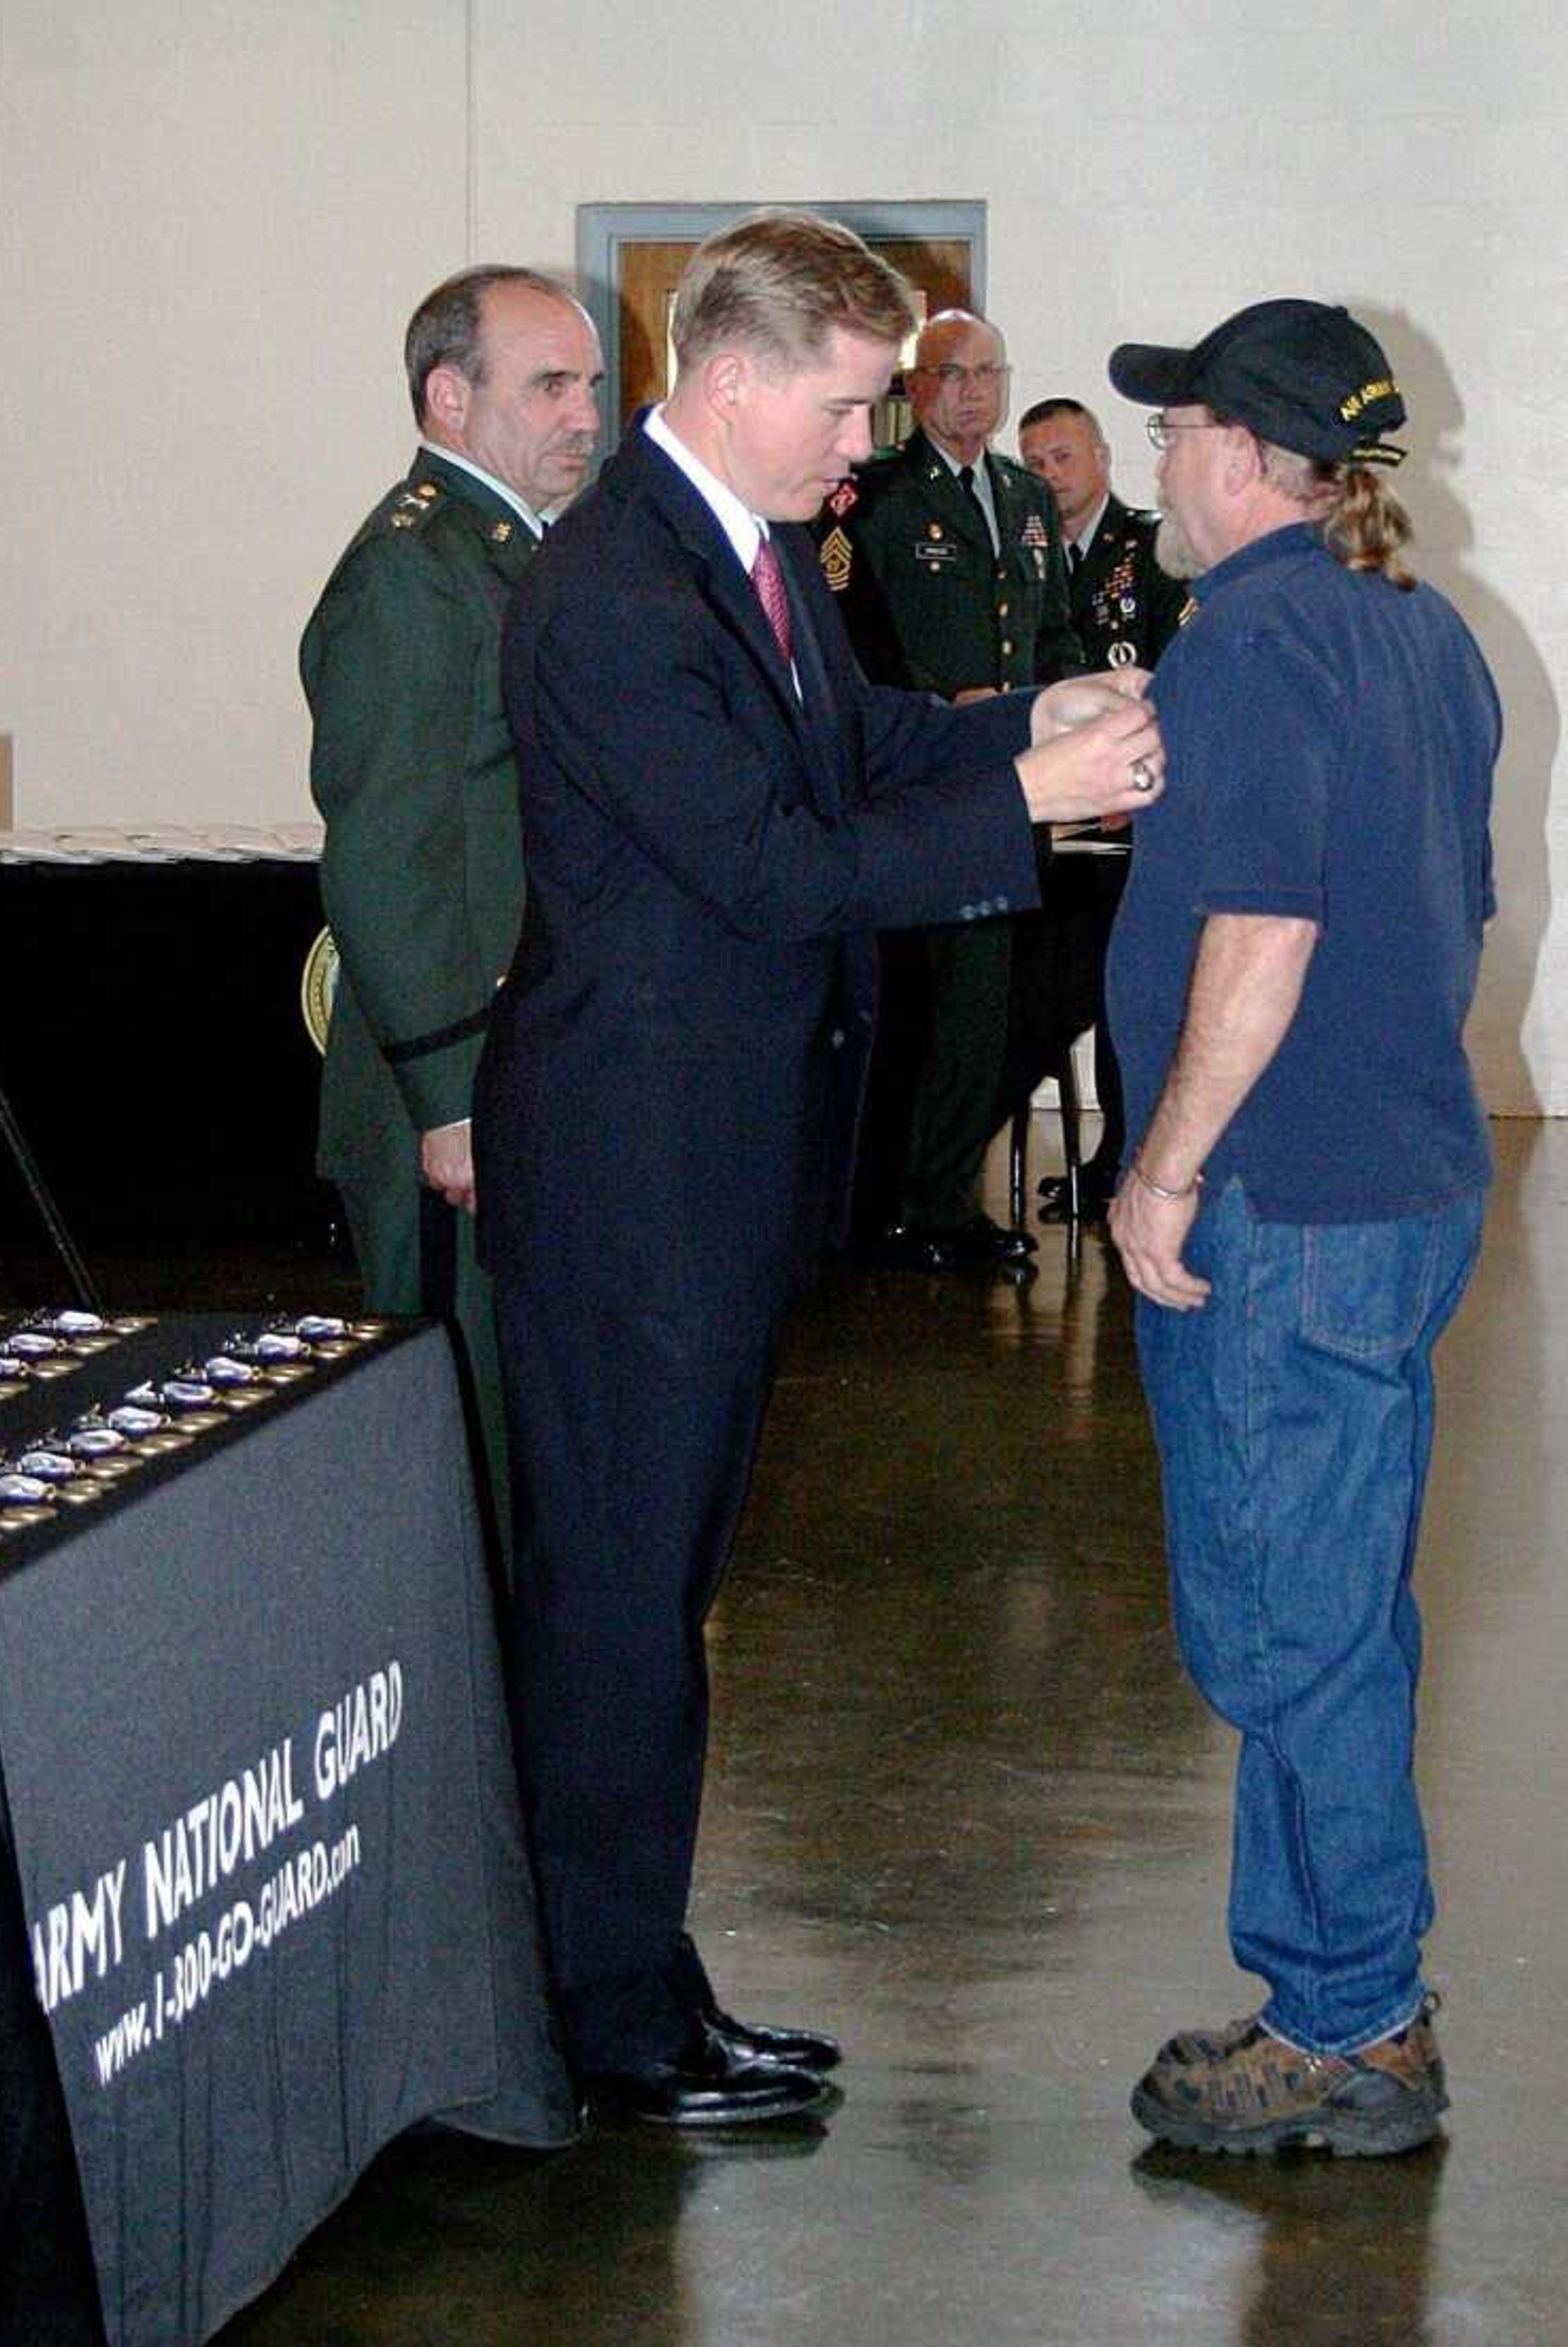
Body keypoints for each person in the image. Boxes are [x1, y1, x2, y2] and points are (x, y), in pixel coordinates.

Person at [475, 210, 1164, 2129]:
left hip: (695, 1169)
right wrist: (1030, 798)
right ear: (737, 377)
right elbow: (771, 867)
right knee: (620, 1604)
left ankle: (628, 1971)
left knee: (648, 1591)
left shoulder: (737, 547)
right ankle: (606, 2020)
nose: (867, 442)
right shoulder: (619, 591)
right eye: (851, 402)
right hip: (631, 1182)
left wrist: (1022, 712)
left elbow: (848, 740)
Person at [1103, 298, 1501, 2155]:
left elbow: (1263, 940)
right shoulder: (1424, 641)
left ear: (1249, 458)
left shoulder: (1253, 645)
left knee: (1294, 1617)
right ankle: (1335, 1984)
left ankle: (1350, 2020)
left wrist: (1167, 1165)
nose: (1156, 463)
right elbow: (1449, 906)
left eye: (1176, 429)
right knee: (1336, 1594)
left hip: (1285, 1209)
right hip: (1402, 1185)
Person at [300, 267, 601, 1567]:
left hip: (523, 1058)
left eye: (591, 384)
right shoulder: (414, 576)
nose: (585, 414)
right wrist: (448, 1098)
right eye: (550, 385)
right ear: (448, 393)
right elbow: (386, 856)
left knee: (517, 1417)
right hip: (459, 1078)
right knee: (452, 1416)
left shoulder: (507, 557)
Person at [817, 310, 1087, 1270]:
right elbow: (850, 650)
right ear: (915, 389)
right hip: (918, 789)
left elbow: (1053, 630)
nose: (972, 392)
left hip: (1012, 789)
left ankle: (938, 1204)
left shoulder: (1021, 494)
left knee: (986, 1009)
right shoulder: (874, 497)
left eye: (988, 374)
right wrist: (940, 704)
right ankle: (885, 1203)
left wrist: (1071, 709)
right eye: (952, 375)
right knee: (907, 1009)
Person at [1004, 397, 1191, 1222]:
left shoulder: (1150, 549)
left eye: (1064, 457)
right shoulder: (1019, 552)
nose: (1049, 475)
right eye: (1035, 461)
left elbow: (1175, 678)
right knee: (1038, 992)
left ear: (1103, 459)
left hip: (1129, 829)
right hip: (1048, 828)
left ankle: (1123, 1155)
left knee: (1127, 999)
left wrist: (1136, 785)